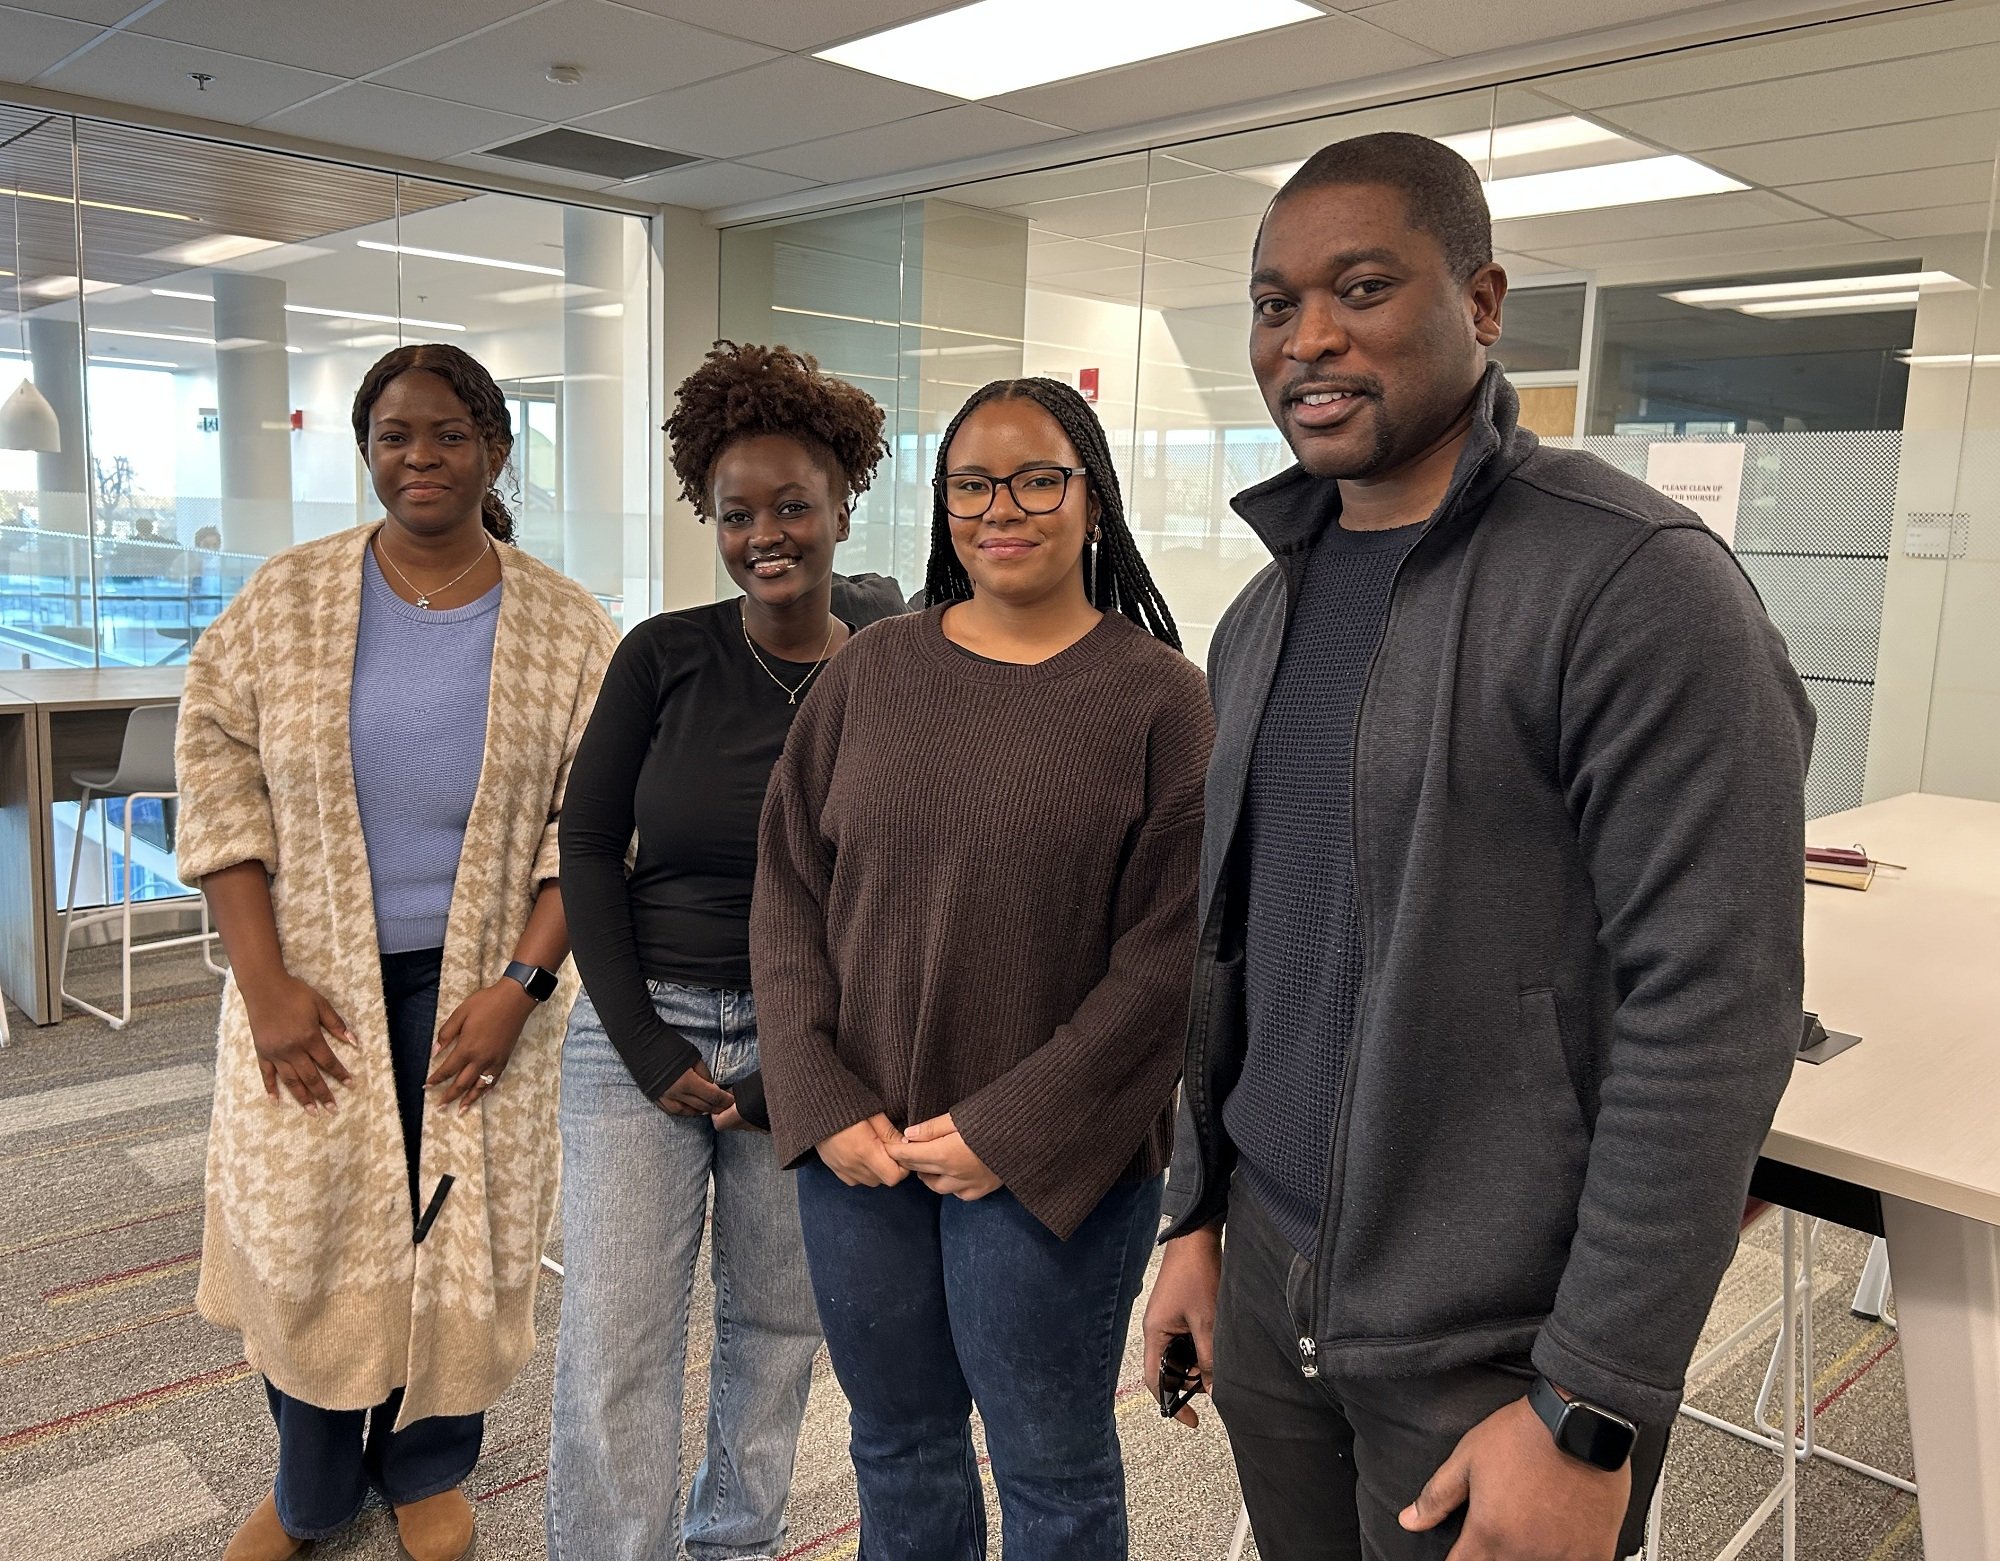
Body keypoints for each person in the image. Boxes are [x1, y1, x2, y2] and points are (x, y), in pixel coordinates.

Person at [1140, 131, 1815, 1561]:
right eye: (1274, 302)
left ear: (1485, 302)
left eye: (1363, 286)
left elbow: (1714, 1012)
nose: (1309, 337)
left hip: (1501, 1343)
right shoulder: (1263, 618)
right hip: (1274, 1286)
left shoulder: (1634, 587)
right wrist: (1196, 1222)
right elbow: (1237, 959)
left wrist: (1592, 1400)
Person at [753, 376, 1214, 1561]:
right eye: (970, 483)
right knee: (895, 1442)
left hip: (1049, 1158)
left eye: (1034, 478)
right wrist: (815, 1090)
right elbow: (789, 894)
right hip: (861, 1149)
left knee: (1048, 1464)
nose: (999, 507)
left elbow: (1167, 965)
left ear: (1092, 500)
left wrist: (1012, 1125)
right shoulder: (867, 674)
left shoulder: (1162, 700)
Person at [177, 342, 618, 1561]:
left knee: (459, 1225)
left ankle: (427, 1465)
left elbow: (591, 823)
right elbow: (216, 774)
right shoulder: (287, 597)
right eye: (391, 437)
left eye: (446, 434)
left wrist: (523, 988)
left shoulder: (565, 625)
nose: (417, 458)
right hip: (309, 983)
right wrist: (260, 982)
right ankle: (312, 1486)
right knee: (311, 1234)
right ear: (367, 451)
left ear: (492, 448)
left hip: (480, 980)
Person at [547, 341, 894, 1561]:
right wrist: (644, 1045)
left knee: (779, 1328)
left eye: (791, 506)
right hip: (636, 1027)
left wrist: (791, 1067)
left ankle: (732, 1544)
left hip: (808, 1044)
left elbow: (888, 897)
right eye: (735, 512)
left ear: (843, 503)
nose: (765, 534)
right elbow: (587, 847)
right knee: (614, 1337)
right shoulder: (663, 654)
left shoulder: (891, 677)